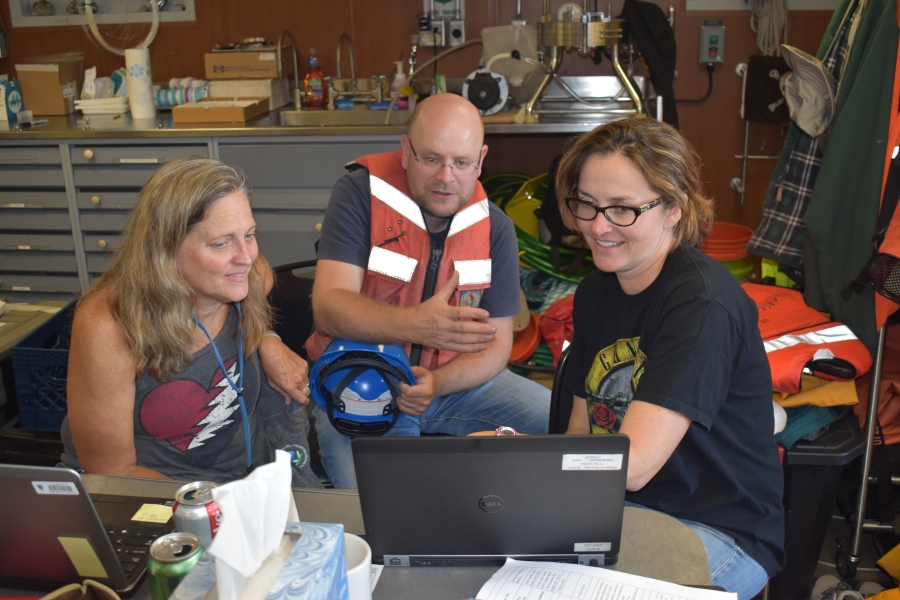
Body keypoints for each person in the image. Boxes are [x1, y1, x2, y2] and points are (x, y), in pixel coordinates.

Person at [556, 118, 785, 599]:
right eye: (587, 205)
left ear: (673, 209)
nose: (598, 227)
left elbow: (633, 463)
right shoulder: (596, 290)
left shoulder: (702, 305)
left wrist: (520, 466)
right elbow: (580, 430)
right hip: (624, 511)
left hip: (719, 528)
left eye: (622, 210)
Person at [306, 94, 551, 489]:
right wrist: (415, 326)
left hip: (456, 384)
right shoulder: (359, 195)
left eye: (461, 162)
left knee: (567, 433)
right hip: (363, 380)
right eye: (431, 158)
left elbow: (498, 345)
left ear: (481, 160)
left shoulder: (495, 228)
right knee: (385, 514)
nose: (445, 177)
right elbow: (328, 308)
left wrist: (438, 384)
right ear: (406, 151)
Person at [60, 156, 321, 487]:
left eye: (250, 235)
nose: (246, 256)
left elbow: (260, 274)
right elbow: (112, 471)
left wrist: (267, 337)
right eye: (221, 243)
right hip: (155, 498)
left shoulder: (241, 276)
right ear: (166, 250)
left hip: (244, 486)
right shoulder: (109, 323)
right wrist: (217, 509)